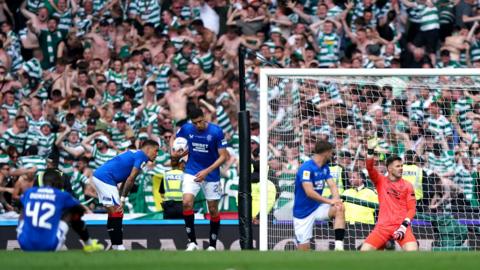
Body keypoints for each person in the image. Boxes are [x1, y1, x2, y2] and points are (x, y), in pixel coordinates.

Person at [172, 107, 229, 251]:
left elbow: (224, 156)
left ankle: (212, 245)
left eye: (200, 122)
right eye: (195, 123)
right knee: (186, 203)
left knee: (213, 210)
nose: (198, 125)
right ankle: (192, 243)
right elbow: (177, 140)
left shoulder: (216, 132)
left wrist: (207, 171)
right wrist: (178, 153)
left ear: (204, 117)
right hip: (192, 170)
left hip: (211, 174)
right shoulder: (186, 129)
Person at [91, 139, 159, 250]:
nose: (157, 154)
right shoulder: (142, 156)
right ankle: (119, 245)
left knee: (113, 213)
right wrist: (122, 199)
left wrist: (120, 195)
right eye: (156, 151)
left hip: (101, 176)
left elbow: (125, 179)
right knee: (118, 211)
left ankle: (115, 245)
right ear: (148, 149)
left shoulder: (136, 154)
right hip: (105, 178)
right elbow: (131, 179)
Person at [16, 168, 103, 252]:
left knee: (25, 208)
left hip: (24, 244)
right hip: (49, 246)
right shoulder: (62, 195)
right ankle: (89, 244)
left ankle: (21, 232)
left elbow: (20, 204)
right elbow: (79, 209)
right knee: (71, 212)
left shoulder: (29, 192)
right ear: (57, 182)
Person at [361, 137, 418, 251]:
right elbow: (369, 167)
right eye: (398, 166)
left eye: (401, 166)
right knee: (364, 251)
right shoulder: (380, 181)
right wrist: (370, 151)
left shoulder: (408, 185)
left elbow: (412, 209)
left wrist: (403, 226)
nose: (401, 168)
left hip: (402, 227)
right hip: (383, 227)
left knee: (413, 251)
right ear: (390, 169)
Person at [293, 140, 346, 251]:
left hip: (317, 208)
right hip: (303, 212)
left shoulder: (325, 167)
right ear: (326, 153)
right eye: (331, 152)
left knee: (339, 207)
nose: (332, 155)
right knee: (303, 249)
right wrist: (330, 201)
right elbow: (309, 192)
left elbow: (332, 185)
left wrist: (336, 199)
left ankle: (339, 247)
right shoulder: (306, 168)